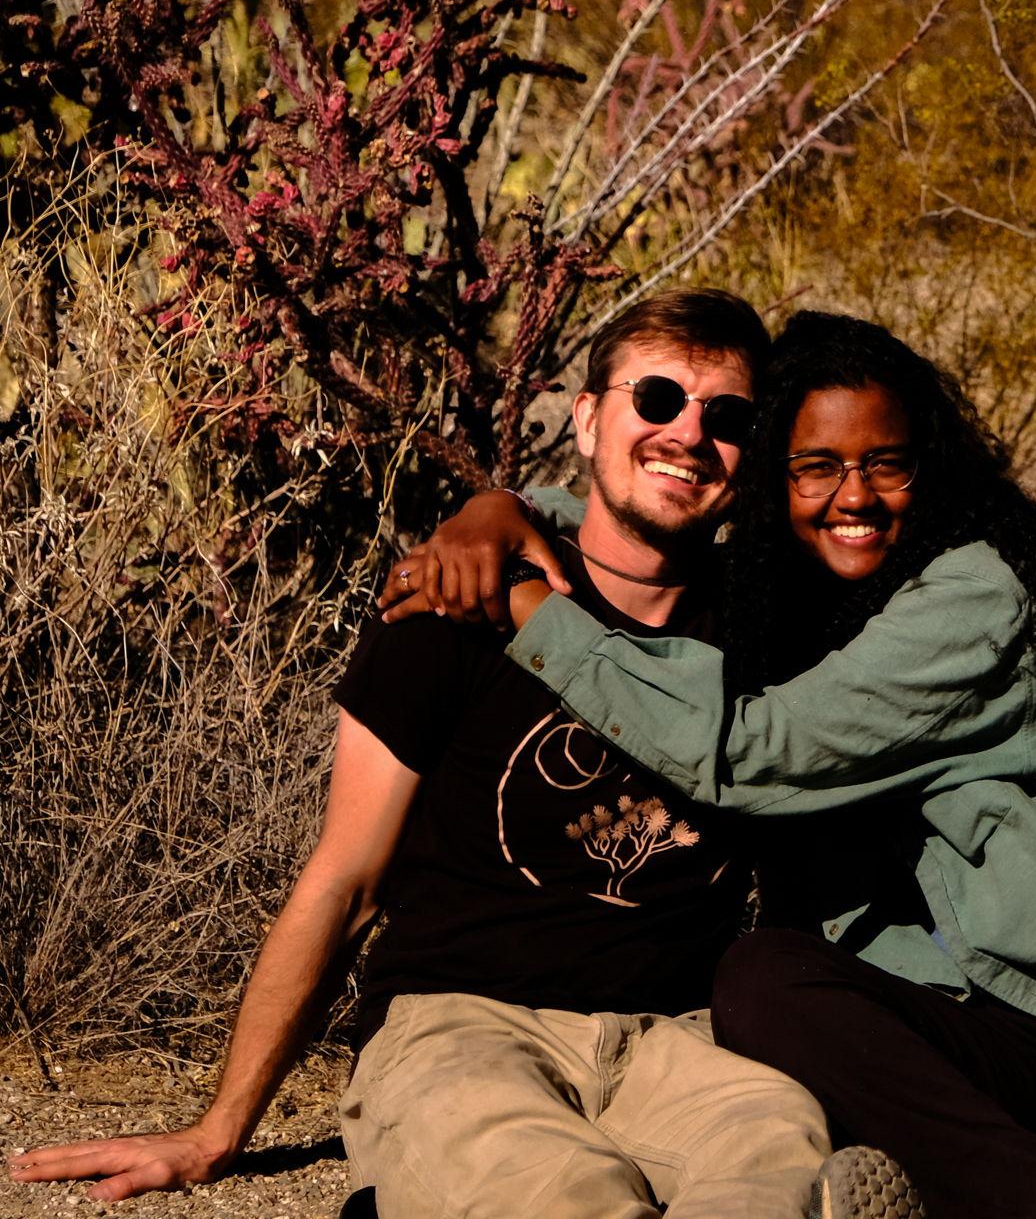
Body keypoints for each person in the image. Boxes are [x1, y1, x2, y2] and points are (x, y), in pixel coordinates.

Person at [394, 310, 1036, 1219]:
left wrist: (525, 602)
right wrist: (510, 510)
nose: (852, 495)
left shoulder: (979, 594)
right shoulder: (798, 600)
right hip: (967, 1041)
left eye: (884, 462)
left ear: (927, 465)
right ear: (776, 481)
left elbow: (753, 755)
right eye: (814, 467)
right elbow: (641, 530)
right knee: (767, 979)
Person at [9, 289, 912, 1219]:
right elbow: (344, 879)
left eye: (726, 417)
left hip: (674, 1041)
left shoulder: (769, 632)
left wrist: (495, 502)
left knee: (778, 1139)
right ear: (590, 414)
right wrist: (219, 1127)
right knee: (546, 1187)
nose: (687, 434)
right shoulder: (454, 608)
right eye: (655, 400)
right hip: (459, 1025)